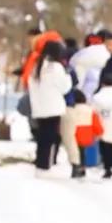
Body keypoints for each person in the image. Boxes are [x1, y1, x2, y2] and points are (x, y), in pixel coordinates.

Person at [28, 40, 72, 173]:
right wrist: (68, 76)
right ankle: (46, 163)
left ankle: (40, 160)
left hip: (40, 106)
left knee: (42, 135)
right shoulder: (56, 67)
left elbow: (31, 85)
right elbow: (65, 87)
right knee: (50, 136)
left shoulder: (37, 66)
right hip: (53, 106)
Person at [65, 89, 102, 179]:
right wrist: (98, 132)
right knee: (82, 151)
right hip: (86, 134)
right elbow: (96, 123)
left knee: (76, 151)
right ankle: (82, 168)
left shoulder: (70, 109)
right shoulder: (90, 110)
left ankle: (77, 167)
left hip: (75, 133)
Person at [70, 33, 111, 100]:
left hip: (85, 93)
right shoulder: (107, 53)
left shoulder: (81, 55)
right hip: (105, 92)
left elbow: (73, 64)